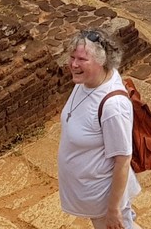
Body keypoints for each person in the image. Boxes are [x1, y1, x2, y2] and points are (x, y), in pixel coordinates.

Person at [58, 29, 142, 229]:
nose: (74, 64)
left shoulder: (113, 107)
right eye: (72, 57)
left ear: (102, 62)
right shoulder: (87, 81)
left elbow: (123, 160)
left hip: (103, 197)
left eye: (81, 59)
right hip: (88, 190)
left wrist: (113, 210)